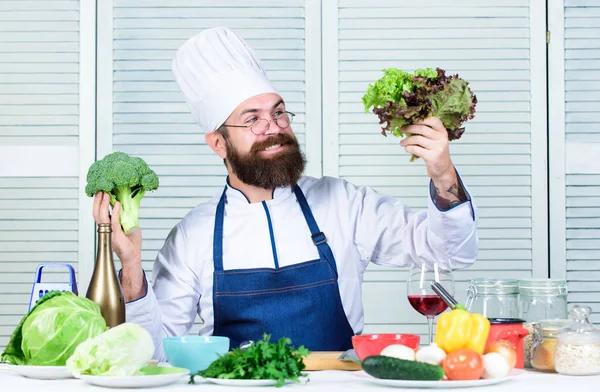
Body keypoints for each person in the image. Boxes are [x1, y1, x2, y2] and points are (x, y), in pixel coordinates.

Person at [92, 27, 478, 361]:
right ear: (218, 144)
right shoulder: (192, 235)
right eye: (252, 119)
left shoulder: (344, 203)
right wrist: (129, 263)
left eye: (278, 113)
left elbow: (451, 252)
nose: (273, 128)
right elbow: (154, 354)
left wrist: (443, 173)